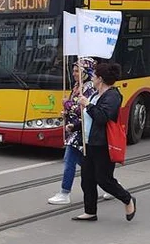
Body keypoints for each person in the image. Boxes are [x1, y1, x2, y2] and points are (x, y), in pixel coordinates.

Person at [73, 62, 136, 222]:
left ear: (100, 79)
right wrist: (73, 126)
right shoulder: (95, 95)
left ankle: (127, 199)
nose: (92, 78)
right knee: (87, 179)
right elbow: (89, 119)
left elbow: (102, 117)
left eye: (94, 76)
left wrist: (87, 105)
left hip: (103, 144)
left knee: (104, 179)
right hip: (89, 142)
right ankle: (90, 211)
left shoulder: (113, 96)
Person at [48, 57, 113, 205]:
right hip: (75, 128)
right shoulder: (77, 86)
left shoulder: (89, 87)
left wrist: (68, 104)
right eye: (73, 71)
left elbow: (84, 107)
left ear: (86, 72)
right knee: (86, 163)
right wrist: (66, 112)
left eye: (77, 71)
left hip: (82, 129)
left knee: (69, 159)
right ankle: (110, 183)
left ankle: (65, 192)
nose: (74, 74)